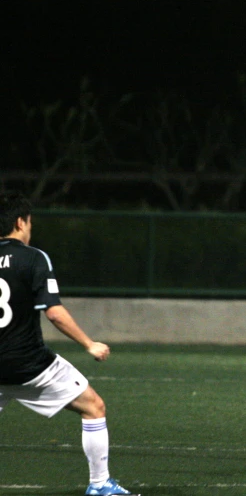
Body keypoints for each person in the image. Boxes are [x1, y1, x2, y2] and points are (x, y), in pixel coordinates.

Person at [0, 192, 136, 496]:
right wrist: (89, 344)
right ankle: (100, 484)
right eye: (29, 222)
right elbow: (55, 313)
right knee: (93, 406)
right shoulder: (33, 257)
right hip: (30, 366)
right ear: (20, 222)